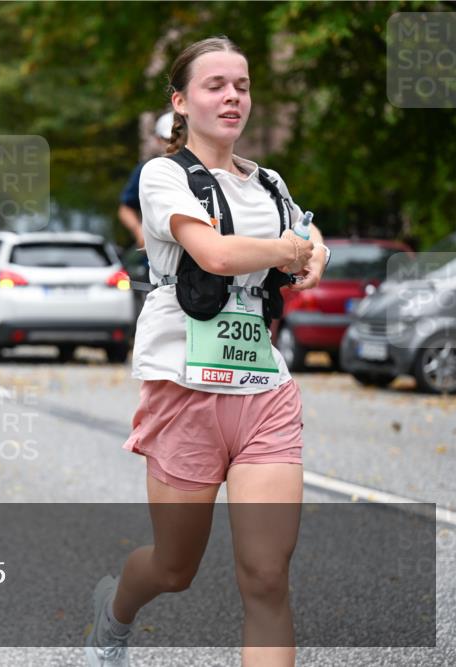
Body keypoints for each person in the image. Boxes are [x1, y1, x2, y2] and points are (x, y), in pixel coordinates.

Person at [85, 36, 330, 667]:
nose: (231, 97)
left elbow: (309, 234)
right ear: (181, 101)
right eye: (215, 85)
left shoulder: (268, 181)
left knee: (267, 577)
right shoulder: (163, 176)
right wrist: (287, 252)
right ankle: (114, 615)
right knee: (173, 568)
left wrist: (315, 252)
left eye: (242, 86)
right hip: (184, 390)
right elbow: (215, 254)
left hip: (263, 392)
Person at [117, 111, 174, 251]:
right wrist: (139, 231)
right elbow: (125, 209)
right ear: (158, 140)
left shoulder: (202, 167)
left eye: (178, 138)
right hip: (158, 253)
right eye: (168, 139)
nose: (173, 144)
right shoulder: (147, 170)